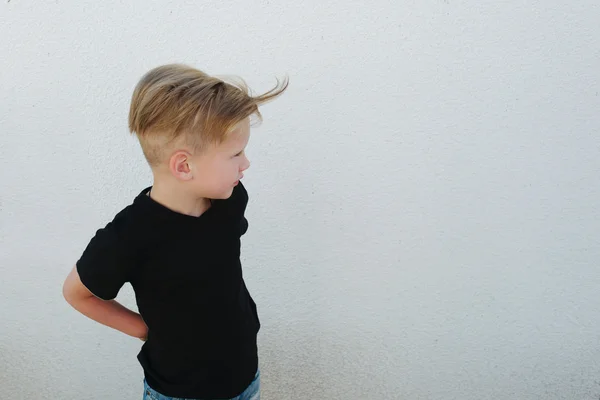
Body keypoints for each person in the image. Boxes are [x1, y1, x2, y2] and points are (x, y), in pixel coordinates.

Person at [62, 64, 288, 399]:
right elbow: (77, 293)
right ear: (184, 166)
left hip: (244, 377)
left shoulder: (229, 200)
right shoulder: (129, 236)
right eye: (236, 154)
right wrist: (143, 329)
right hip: (178, 392)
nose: (246, 164)